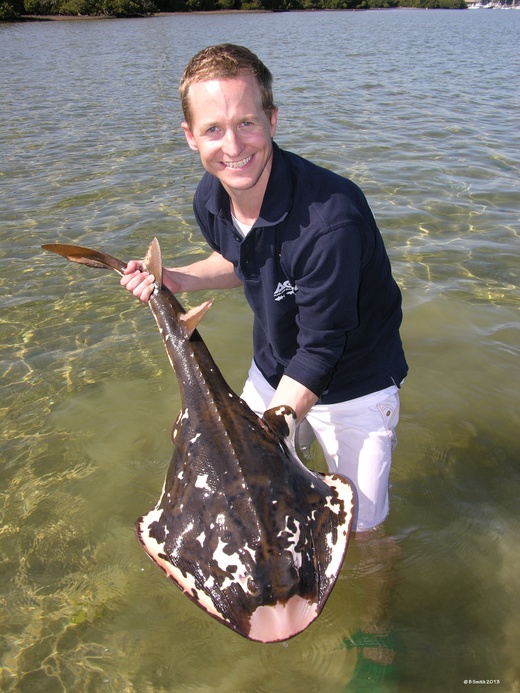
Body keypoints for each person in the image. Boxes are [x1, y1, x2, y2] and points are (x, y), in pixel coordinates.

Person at [121, 43, 408, 535]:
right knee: (256, 509)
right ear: (190, 137)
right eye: (213, 129)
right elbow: (240, 260)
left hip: (355, 383)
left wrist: (269, 433)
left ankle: (376, 610)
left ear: (272, 119)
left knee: (359, 529)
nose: (233, 147)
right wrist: (177, 279)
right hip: (274, 368)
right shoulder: (210, 197)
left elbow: (321, 350)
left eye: (246, 123)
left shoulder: (331, 221)